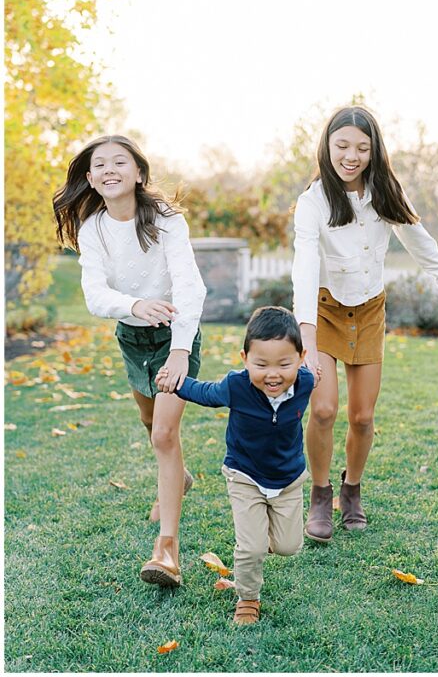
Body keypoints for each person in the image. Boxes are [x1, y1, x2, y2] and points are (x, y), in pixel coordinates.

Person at [292, 105, 438, 541]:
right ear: (327, 146)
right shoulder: (313, 202)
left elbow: (416, 236)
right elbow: (305, 265)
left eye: (362, 148)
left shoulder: (385, 191)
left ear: (374, 151)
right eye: (342, 146)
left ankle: (351, 490)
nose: (351, 156)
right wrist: (306, 335)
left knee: (363, 416)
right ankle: (320, 494)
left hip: (368, 310)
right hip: (324, 309)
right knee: (323, 408)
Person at [52, 134, 206, 587]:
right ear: (90, 178)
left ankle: (167, 550)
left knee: (163, 434)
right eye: (100, 164)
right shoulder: (93, 229)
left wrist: (180, 351)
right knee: (149, 421)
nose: (109, 170)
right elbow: (95, 296)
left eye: (120, 162)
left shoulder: (167, 221)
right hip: (132, 337)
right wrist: (136, 306)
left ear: (139, 173)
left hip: (176, 333)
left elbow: (190, 286)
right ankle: (178, 476)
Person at [158, 306, 317, 624]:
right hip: (244, 474)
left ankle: (263, 538)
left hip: (288, 479)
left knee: (289, 546)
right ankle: (248, 598)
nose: (273, 375)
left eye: (284, 364)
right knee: (251, 548)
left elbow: (306, 376)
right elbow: (205, 393)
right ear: (245, 359)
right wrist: (175, 383)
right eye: (261, 364)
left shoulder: (306, 382)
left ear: (301, 358)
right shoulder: (237, 386)